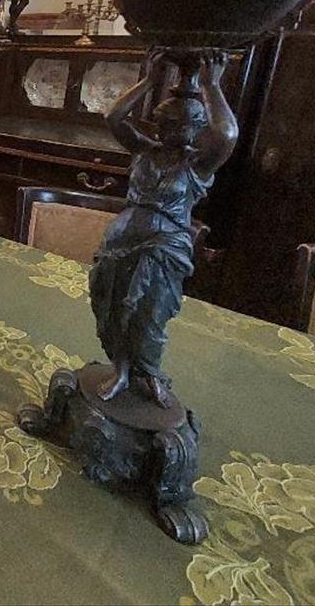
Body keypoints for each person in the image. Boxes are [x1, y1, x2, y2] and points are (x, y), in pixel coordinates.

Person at [89, 49, 239, 407]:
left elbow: (227, 134)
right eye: (167, 123)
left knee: (150, 314)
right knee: (112, 308)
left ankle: (148, 372)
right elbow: (113, 116)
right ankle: (121, 370)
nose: (175, 131)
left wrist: (212, 87)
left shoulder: (197, 166)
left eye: (184, 125)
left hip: (163, 249)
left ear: (198, 128)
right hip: (121, 242)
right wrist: (149, 80)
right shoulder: (144, 151)